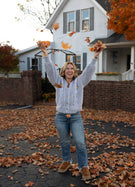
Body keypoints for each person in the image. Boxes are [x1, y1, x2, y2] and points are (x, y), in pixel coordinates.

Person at [38, 42, 105, 180]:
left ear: (74, 71)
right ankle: (66, 161)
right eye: (67, 68)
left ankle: (83, 166)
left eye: (72, 68)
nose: (69, 70)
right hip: (61, 117)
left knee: (80, 142)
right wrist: (45, 54)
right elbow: (50, 69)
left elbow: (89, 71)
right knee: (65, 142)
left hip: (75, 117)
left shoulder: (79, 82)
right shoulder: (57, 82)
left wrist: (95, 57)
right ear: (63, 70)